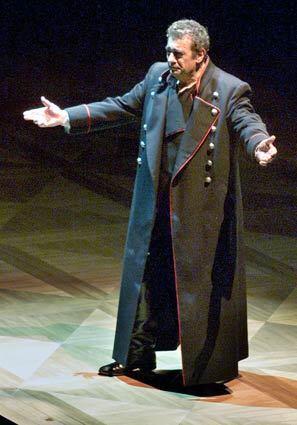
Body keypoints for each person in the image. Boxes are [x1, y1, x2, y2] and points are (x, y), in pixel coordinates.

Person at [23, 19, 277, 387]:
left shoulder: (229, 89)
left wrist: (259, 144)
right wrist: (66, 116)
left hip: (197, 211)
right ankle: (135, 358)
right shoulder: (158, 78)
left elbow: (246, 122)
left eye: (178, 53)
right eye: (168, 51)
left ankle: (205, 371)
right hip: (157, 202)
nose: (170, 59)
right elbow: (121, 106)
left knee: (198, 287)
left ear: (200, 56)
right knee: (144, 279)